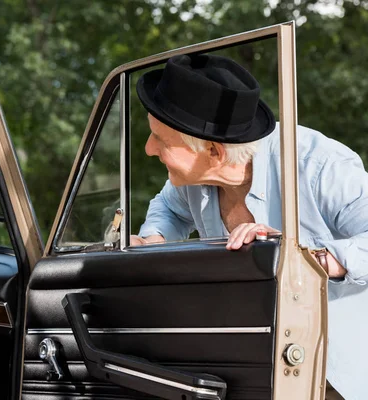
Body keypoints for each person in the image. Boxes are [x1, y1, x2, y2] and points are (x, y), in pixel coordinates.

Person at [131, 54, 367, 400]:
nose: (149, 149)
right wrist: (154, 239)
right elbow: (167, 208)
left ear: (214, 152)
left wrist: (301, 258)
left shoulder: (318, 165)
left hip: (332, 376)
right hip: (242, 368)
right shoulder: (191, 179)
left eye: (161, 140)